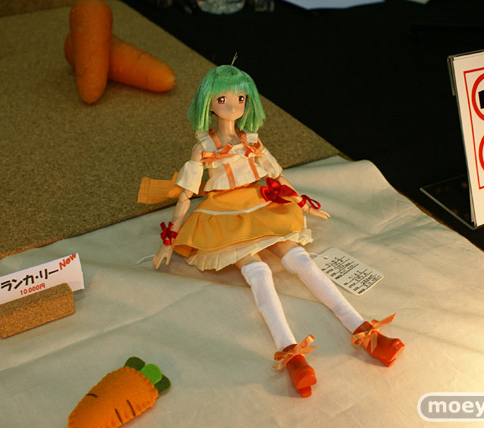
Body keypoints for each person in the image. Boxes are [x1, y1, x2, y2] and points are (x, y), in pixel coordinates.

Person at [143, 65, 404, 398]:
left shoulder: (251, 140)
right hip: (223, 214)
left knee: (301, 260)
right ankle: (290, 352)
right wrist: (169, 239)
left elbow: (276, 176)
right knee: (259, 272)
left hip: (261, 203)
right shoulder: (204, 146)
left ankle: (364, 329)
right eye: (223, 99)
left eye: (240, 98)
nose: (233, 106)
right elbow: (186, 194)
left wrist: (302, 202)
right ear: (209, 103)